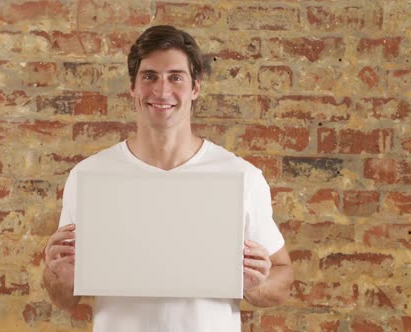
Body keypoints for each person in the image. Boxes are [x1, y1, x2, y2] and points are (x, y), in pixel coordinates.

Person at [43, 25, 294, 331]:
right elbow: (64, 298)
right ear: (133, 87)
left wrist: (253, 284)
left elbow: (282, 276)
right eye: (149, 76)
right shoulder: (89, 176)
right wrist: (60, 277)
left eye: (176, 77)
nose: (161, 91)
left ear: (195, 88)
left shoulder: (240, 176)